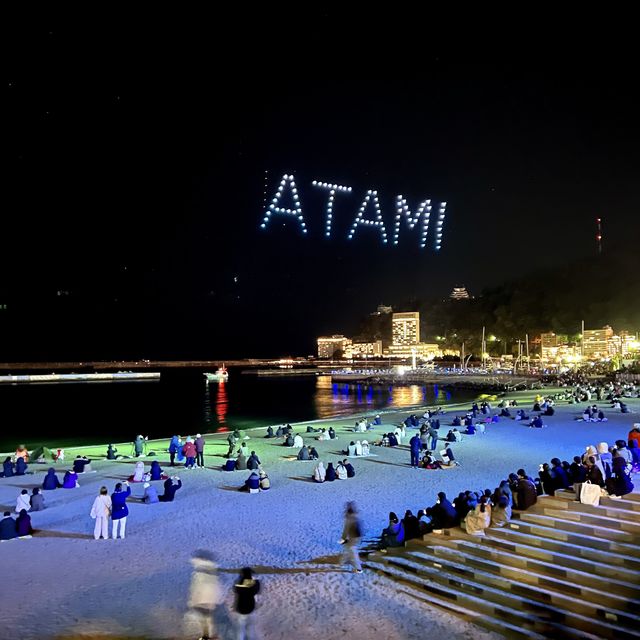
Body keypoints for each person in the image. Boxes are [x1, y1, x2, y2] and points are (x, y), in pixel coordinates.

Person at [188, 549, 222, 640]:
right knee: (208, 617)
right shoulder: (214, 570)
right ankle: (209, 634)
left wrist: (192, 600)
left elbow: (197, 586)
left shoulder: (199, 570)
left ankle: (206, 635)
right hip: (213, 599)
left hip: (201, 598)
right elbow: (218, 585)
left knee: (203, 618)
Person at [234, 567, 260, 640]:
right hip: (250, 608)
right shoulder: (252, 584)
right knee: (250, 628)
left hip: (240, 609)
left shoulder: (238, 583)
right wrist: (255, 579)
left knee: (241, 628)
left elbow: (236, 588)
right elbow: (257, 588)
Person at [339, 502, 363, 573]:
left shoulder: (348, 519)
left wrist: (343, 539)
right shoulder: (356, 517)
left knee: (352, 551)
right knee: (347, 547)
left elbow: (345, 530)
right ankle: (342, 562)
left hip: (353, 538)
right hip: (357, 537)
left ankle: (359, 569)